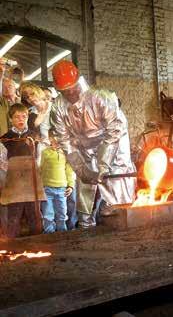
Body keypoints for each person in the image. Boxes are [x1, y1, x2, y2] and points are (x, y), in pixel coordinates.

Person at [50, 60, 136, 228]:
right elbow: (65, 142)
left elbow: (115, 131)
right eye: (65, 91)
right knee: (86, 188)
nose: (71, 94)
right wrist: (83, 171)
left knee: (118, 180)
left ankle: (121, 217)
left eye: (73, 88)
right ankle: (86, 225)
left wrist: (104, 164)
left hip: (114, 144)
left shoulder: (102, 97)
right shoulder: (57, 107)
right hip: (84, 149)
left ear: (78, 81)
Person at [0, 103, 45, 238]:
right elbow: (2, 161)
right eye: (17, 117)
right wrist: (14, 172)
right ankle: (11, 247)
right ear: (11, 119)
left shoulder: (35, 137)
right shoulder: (5, 139)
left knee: (35, 215)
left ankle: (38, 245)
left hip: (32, 181)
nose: (21, 119)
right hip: (14, 183)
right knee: (13, 216)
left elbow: (40, 158)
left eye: (24, 116)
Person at [40, 129, 75, 233]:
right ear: (50, 138)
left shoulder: (66, 153)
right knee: (47, 214)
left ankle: (62, 236)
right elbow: (41, 169)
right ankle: (49, 236)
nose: (57, 139)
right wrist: (40, 186)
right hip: (47, 189)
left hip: (62, 189)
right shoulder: (45, 152)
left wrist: (71, 186)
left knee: (62, 214)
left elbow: (69, 171)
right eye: (54, 136)